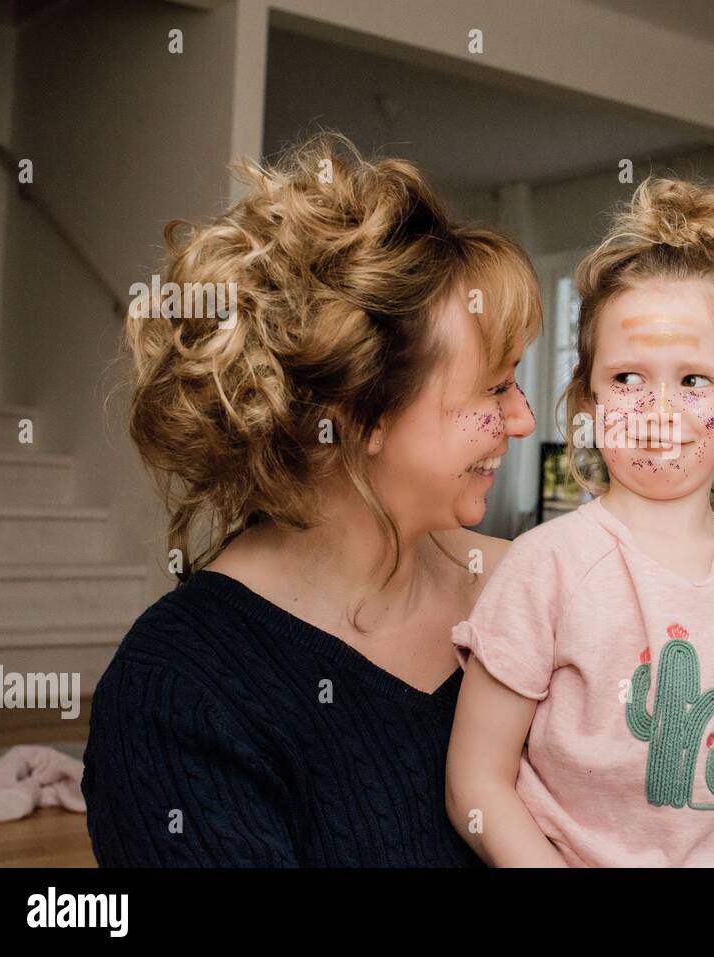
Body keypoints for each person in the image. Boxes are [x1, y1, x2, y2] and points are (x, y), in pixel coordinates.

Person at [82, 134, 541, 866]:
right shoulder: (176, 697)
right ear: (361, 412)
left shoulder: (531, 591)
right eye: (494, 388)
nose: (521, 420)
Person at [445, 177, 714, 866]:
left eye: (693, 380)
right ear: (588, 394)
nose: (659, 412)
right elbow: (476, 782)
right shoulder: (541, 569)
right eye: (629, 379)